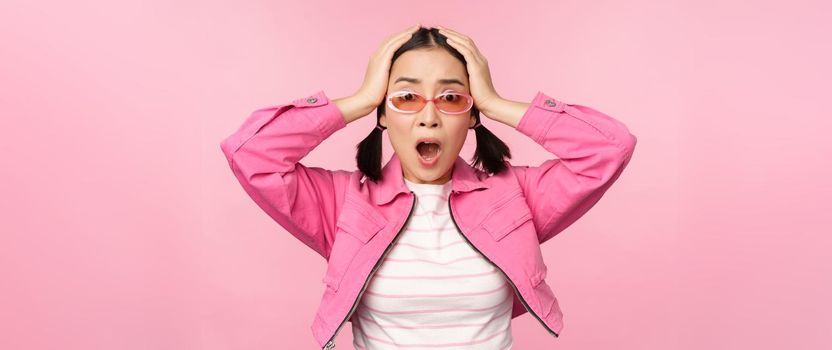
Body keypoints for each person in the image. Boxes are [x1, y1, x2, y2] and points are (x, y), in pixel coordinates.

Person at [220, 23, 637, 350]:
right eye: (406, 97)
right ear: (383, 114)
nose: (429, 116)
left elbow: (610, 148)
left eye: (452, 98)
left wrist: (494, 102)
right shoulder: (343, 204)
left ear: (470, 117)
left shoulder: (516, 198)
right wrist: (361, 99)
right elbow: (250, 153)